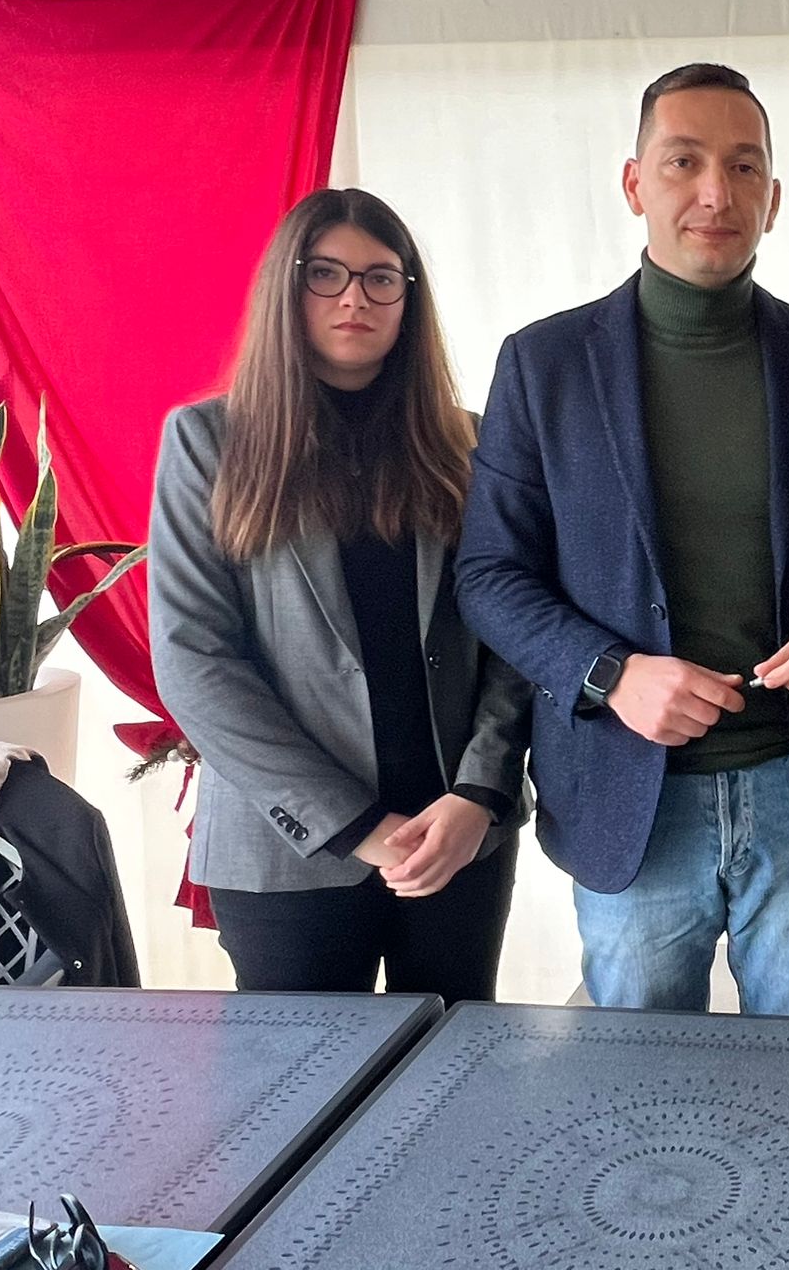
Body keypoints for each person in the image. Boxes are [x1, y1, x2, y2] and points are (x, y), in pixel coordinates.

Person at [456, 63, 789, 1017]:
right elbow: (489, 575)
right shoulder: (544, 365)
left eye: (744, 167)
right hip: (630, 798)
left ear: (773, 197)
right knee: (643, 1094)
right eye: (684, 161)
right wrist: (610, 673)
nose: (715, 193)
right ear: (634, 184)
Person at [149, 187, 530, 1000]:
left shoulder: (470, 445)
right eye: (325, 274)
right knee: (300, 1078)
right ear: (285, 289)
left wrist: (481, 793)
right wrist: (354, 826)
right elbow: (193, 661)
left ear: (408, 300)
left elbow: (515, 634)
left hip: (454, 840)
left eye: (381, 278)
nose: (355, 297)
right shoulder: (209, 442)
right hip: (285, 855)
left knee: (457, 1064)